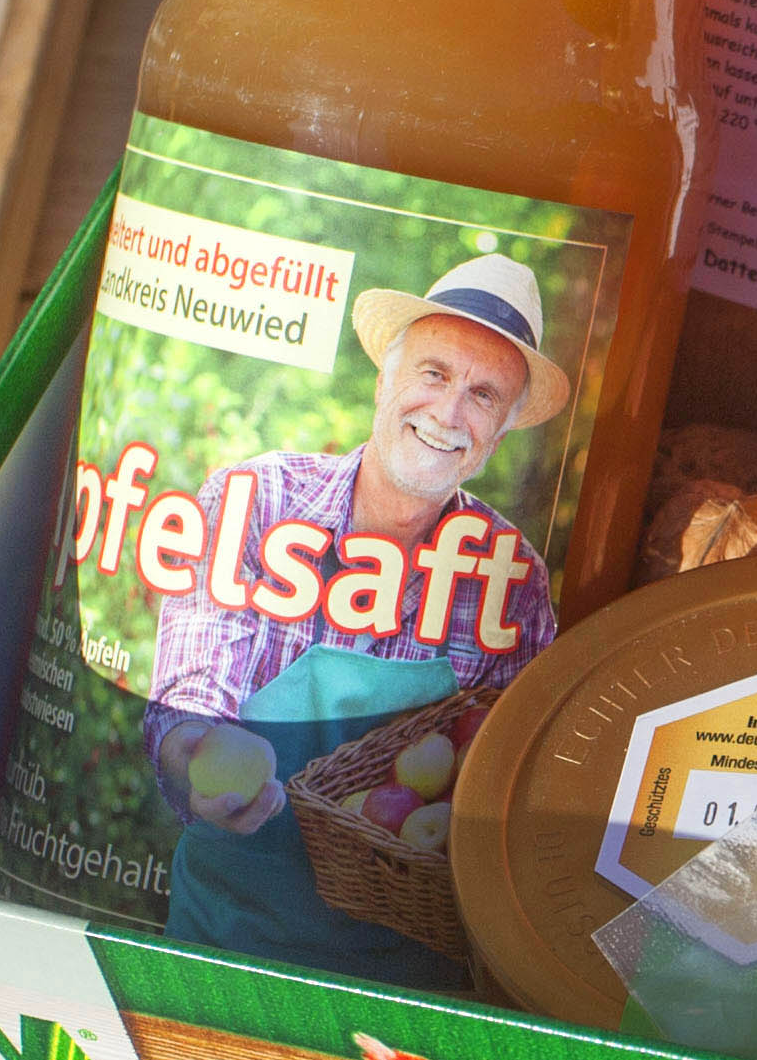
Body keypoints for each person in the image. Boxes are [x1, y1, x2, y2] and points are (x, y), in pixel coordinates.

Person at [138, 252, 572, 979]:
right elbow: (190, 688)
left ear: (498, 437)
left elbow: (513, 786)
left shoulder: (511, 578)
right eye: (434, 373)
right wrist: (195, 756)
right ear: (386, 381)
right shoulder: (258, 500)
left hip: (399, 971)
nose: (448, 413)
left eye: (484, 395)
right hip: (221, 939)